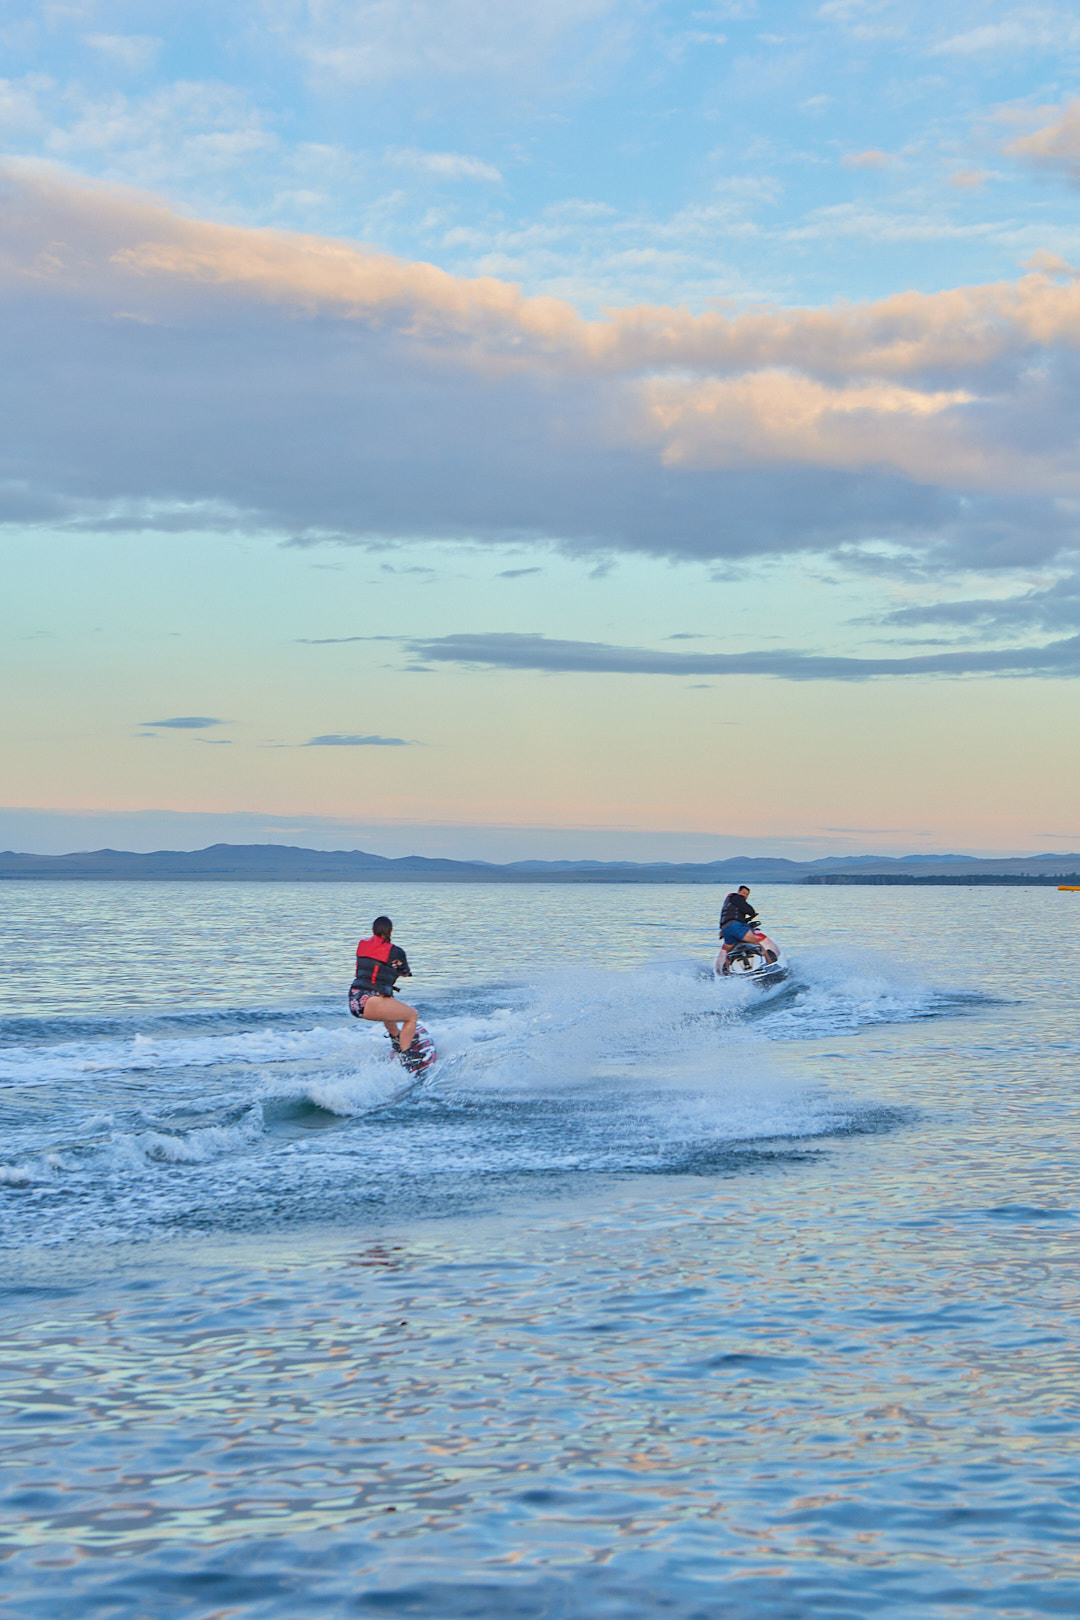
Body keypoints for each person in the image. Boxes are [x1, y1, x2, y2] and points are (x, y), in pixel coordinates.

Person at [349, 915, 418, 1055]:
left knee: (388, 1007)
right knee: (412, 1016)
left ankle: (397, 1040)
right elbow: (405, 971)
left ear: (373, 930)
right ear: (390, 931)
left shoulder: (362, 945)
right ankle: (408, 1057)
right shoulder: (395, 951)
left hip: (354, 1000)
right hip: (372, 1001)